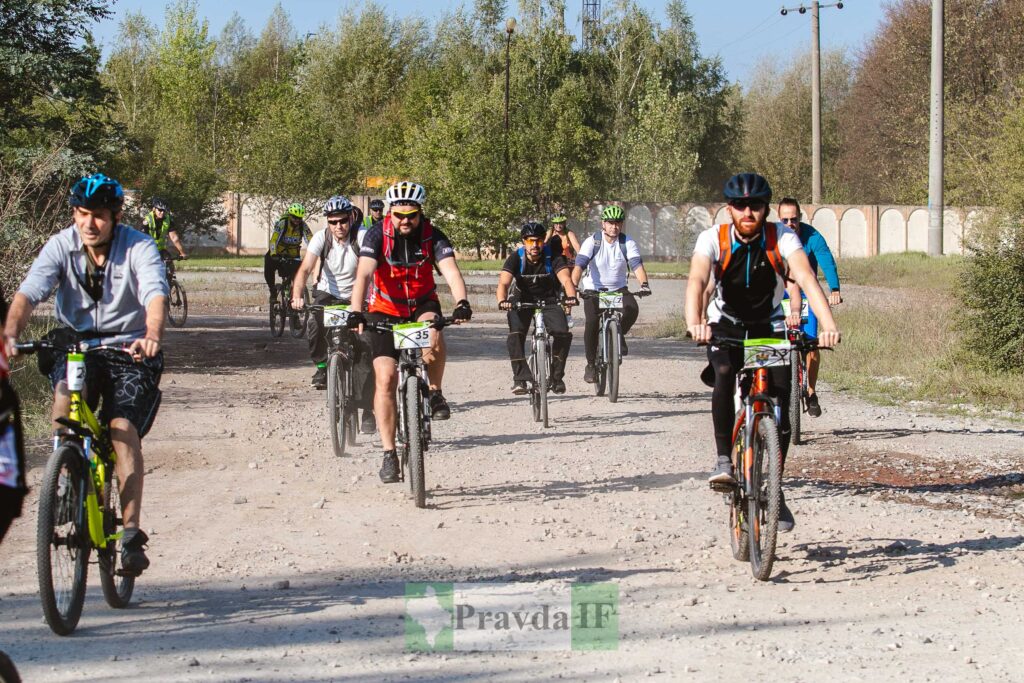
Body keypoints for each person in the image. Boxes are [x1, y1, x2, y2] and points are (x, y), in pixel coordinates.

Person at [3, 173, 168, 573]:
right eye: (81, 214)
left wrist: (151, 335)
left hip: (128, 347)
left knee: (121, 429)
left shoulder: (139, 246)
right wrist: (9, 334)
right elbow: (29, 292)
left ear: (115, 216)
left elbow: (155, 293)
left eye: (98, 216)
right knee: (64, 397)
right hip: (75, 344)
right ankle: (65, 472)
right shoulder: (61, 245)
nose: (89, 224)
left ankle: (130, 534)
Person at [684, 173, 841, 532]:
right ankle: (724, 460)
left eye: (755, 205)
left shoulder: (782, 237)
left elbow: (805, 277)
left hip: (768, 326)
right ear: (729, 209)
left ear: (765, 209)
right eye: (740, 206)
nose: (748, 212)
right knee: (724, 373)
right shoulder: (713, 238)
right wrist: (695, 321)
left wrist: (827, 323)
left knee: (783, 405)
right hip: (724, 324)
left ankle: (775, 486)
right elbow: (696, 281)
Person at [347, 181, 472, 484]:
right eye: (399, 214)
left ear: (420, 213)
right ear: (390, 212)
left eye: (411, 215)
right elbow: (363, 274)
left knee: (434, 332)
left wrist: (462, 302)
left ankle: (435, 391)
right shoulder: (377, 235)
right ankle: (389, 453)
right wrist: (355, 310)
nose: (405, 221)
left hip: (420, 303)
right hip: (384, 309)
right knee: (386, 378)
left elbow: (451, 270)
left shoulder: (433, 235)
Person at [291, 196, 376, 434]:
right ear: (327, 222)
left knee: (366, 347)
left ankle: (368, 409)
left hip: (359, 297)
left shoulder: (362, 237)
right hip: (329, 293)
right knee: (314, 324)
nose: (339, 226)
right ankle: (321, 366)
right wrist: (297, 294)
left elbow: (376, 269)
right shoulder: (321, 238)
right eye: (333, 222)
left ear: (351, 218)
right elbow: (305, 269)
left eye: (342, 221)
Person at [777, 197, 843, 417]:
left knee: (811, 343)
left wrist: (834, 290)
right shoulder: (771, 236)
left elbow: (826, 261)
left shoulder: (812, 236)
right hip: (780, 294)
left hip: (807, 293)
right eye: (784, 220)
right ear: (778, 219)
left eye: (793, 219)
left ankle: (810, 391)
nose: (789, 224)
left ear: (800, 218)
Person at [571, 205, 651, 383]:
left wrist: (644, 284)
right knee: (591, 323)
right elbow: (579, 266)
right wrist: (574, 287)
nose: (614, 226)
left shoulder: (627, 242)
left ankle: (618, 335)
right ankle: (591, 365)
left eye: (618, 223)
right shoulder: (592, 242)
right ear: (603, 224)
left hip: (618, 289)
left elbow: (636, 265)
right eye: (610, 223)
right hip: (594, 291)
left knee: (632, 308)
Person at [496, 222, 578, 395]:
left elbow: (566, 280)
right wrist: (503, 300)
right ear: (524, 242)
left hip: (549, 300)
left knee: (562, 332)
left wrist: (571, 297)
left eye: (539, 241)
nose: (535, 245)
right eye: (531, 241)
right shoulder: (516, 258)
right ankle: (521, 379)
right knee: (515, 335)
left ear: (543, 242)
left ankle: (556, 377)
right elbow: (503, 283)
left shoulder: (553, 257)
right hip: (521, 301)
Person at [264, 203, 313, 302]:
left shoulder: (303, 226)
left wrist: (315, 254)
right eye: (294, 217)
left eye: (299, 218)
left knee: (298, 274)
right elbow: (274, 240)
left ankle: (295, 297)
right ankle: (273, 291)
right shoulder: (283, 224)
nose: (297, 220)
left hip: (293, 255)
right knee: (268, 261)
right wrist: (273, 253)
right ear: (290, 215)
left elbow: (311, 240)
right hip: (278, 254)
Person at [141, 197, 188, 263]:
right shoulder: (147, 220)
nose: (162, 212)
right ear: (154, 209)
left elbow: (174, 238)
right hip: (147, 251)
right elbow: (141, 239)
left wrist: (182, 253)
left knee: (168, 262)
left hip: (161, 250)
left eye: (164, 210)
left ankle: (170, 272)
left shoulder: (168, 220)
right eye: (160, 210)